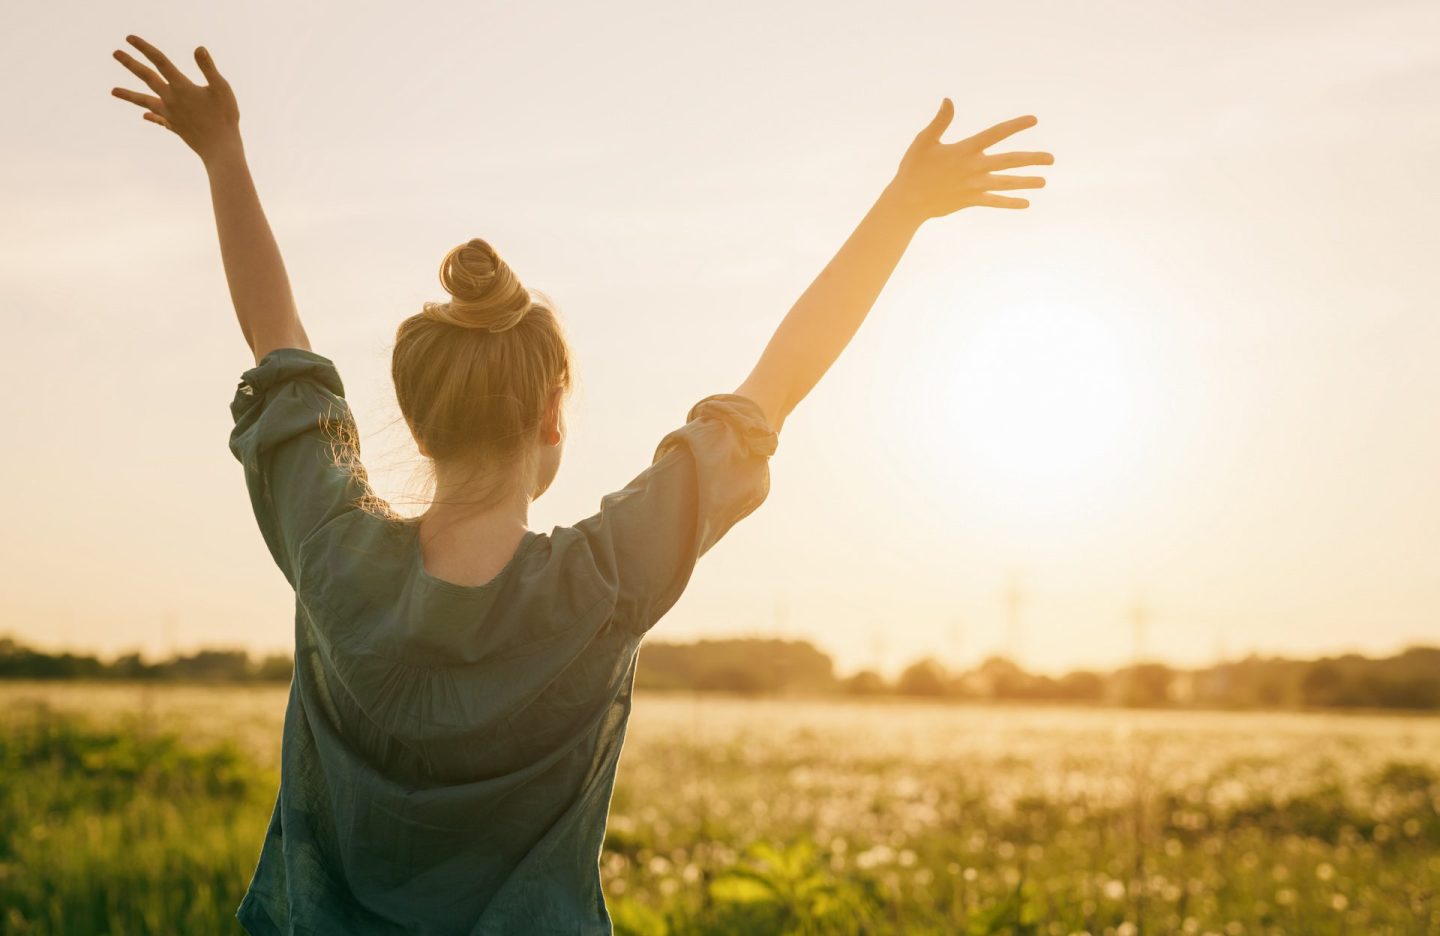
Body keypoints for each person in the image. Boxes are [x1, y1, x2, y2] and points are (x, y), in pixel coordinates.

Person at [110, 33, 1052, 936]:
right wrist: (903, 207)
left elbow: (279, 347)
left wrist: (222, 152)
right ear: (553, 419)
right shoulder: (604, 580)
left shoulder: (330, 550)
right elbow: (774, 387)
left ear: (418, 417)